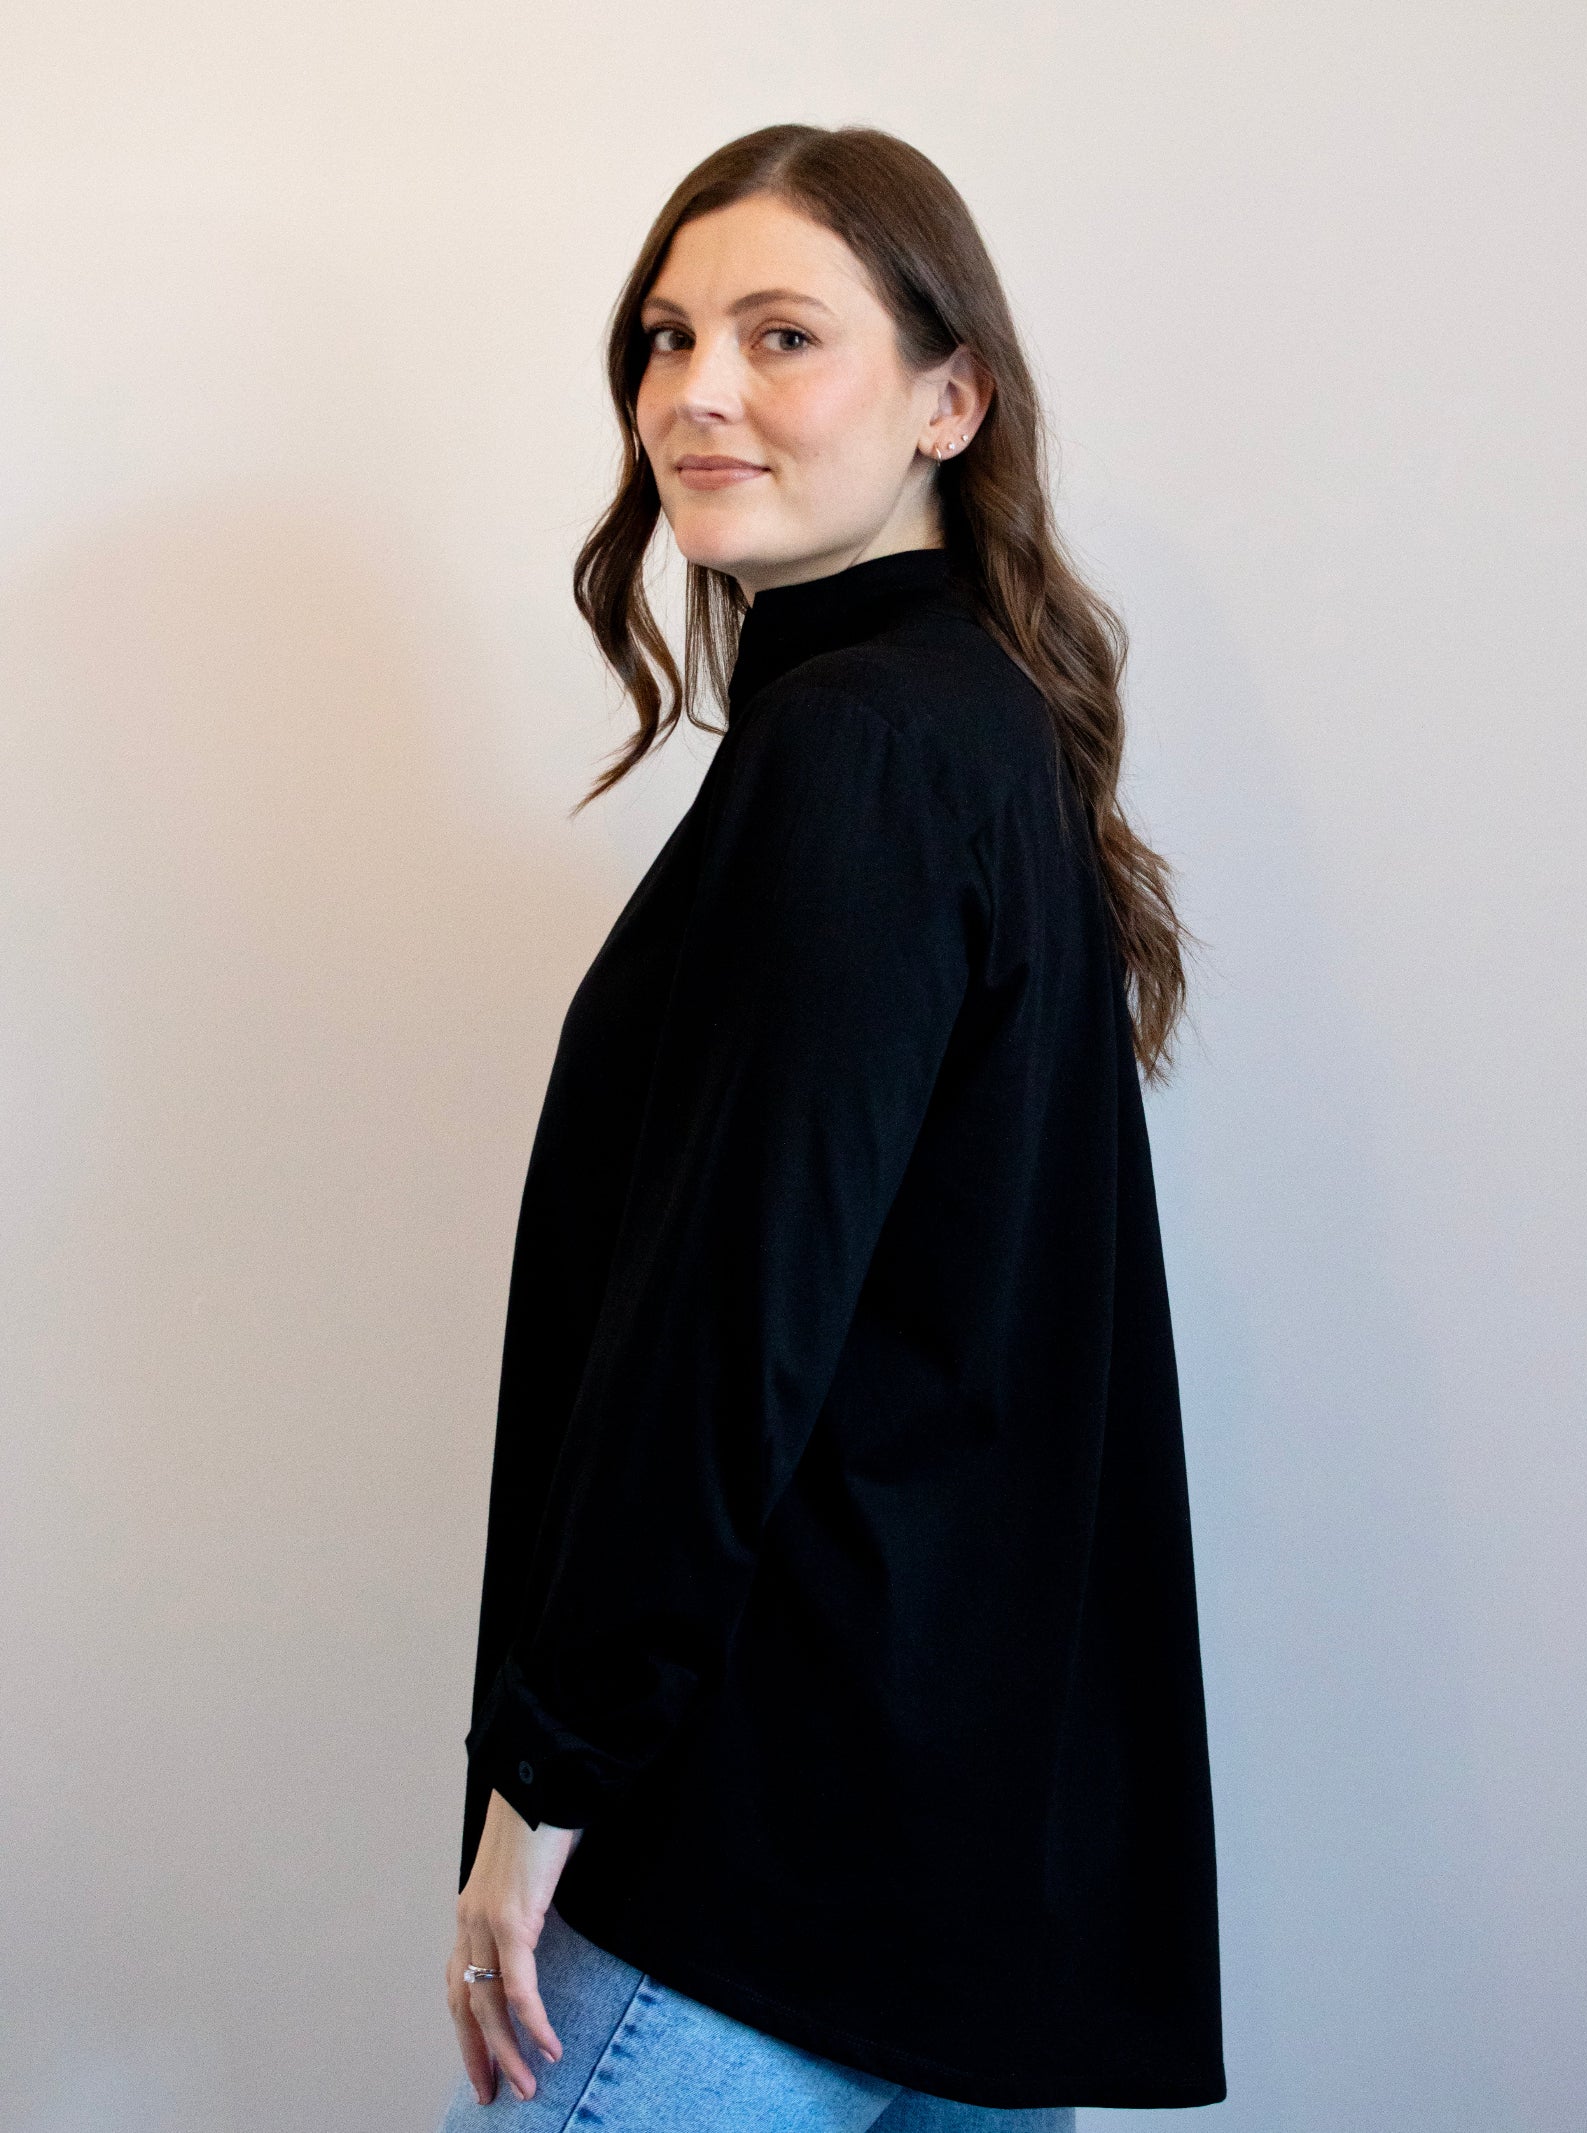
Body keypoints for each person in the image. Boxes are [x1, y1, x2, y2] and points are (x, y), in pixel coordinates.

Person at [437, 123, 1225, 2130]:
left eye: (781, 334)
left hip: (756, 1867)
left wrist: (546, 1783)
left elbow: (730, 1324)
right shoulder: (972, 725)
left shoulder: (860, 750)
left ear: (948, 397)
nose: (695, 388)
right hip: (949, 1885)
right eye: (664, 334)